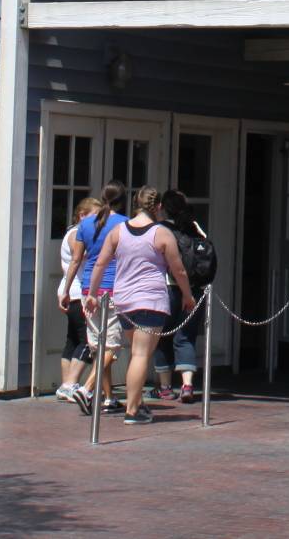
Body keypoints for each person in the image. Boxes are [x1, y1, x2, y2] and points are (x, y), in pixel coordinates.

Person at [86, 187, 196, 424]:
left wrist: (92, 293)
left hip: (124, 300)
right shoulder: (161, 233)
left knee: (137, 353)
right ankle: (132, 410)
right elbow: (178, 269)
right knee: (140, 355)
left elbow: (100, 264)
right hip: (150, 300)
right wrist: (187, 296)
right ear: (157, 208)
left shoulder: (117, 231)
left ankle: (138, 404)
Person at [62, 180, 127, 413]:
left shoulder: (86, 224)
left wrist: (67, 290)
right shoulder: (124, 224)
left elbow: (76, 259)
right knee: (112, 347)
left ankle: (108, 398)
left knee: (99, 347)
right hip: (113, 289)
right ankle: (87, 388)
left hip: (90, 288)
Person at [153, 190, 211, 403]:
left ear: (162, 208)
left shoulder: (160, 229)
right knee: (186, 337)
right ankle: (187, 385)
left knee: (161, 336)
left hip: (167, 288)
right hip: (195, 288)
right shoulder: (194, 227)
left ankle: (166, 388)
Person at [54, 198, 99, 401]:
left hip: (71, 291)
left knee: (72, 339)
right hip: (76, 292)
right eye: (95, 216)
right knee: (87, 341)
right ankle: (71, 383)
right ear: (82, 215)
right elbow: (78, 256)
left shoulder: (77, 232)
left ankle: (66, 385)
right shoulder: (75, 234)